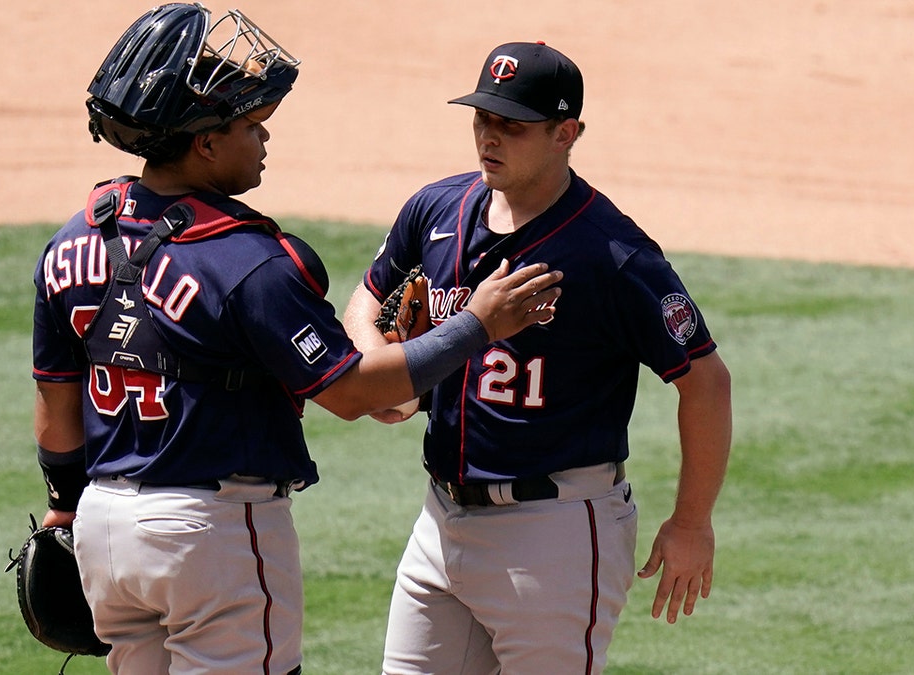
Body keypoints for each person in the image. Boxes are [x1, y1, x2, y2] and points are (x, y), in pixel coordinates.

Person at [29, 6, 563, 674]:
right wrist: (477, 323)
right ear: (205, 144)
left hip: (104, 530)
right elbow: (349, 392)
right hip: (209, 533)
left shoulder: (70, 243)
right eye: (252, 127)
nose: (263, 141)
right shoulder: (249, 261)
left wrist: (63, 508)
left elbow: (56, 402)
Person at [342, 41, 733, 674]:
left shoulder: (611, 254)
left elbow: (707, 382)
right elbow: (368, 296)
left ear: (565, 133)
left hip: (554, 534)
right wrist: (391, 376)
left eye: (512, 126)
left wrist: (692, 524)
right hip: (439, 522)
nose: (489, 138)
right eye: (482, 119)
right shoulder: (438, 208)